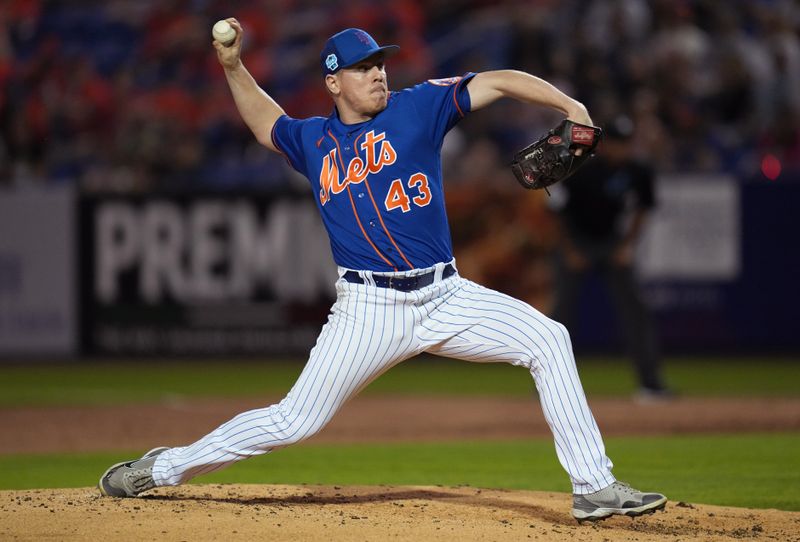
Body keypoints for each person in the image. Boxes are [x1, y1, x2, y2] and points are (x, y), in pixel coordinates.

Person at [98, 23, 667, 523]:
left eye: (379, 63)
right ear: (333, 83)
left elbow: (497, 79)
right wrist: (233, 66)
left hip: (446, 295)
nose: (377, 74)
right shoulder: (314, 141)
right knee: (294, 421)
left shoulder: (420, 106)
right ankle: (163, 469)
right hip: (367, 311)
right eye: (362, 68)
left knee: (548, 338)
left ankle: (594, 487)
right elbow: (266, 122)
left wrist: (572, 107)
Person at [549, 115, 672, 399]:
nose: (622, 149)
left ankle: (650, 384)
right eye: (617, 143)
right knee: (559, 318)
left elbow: (644, 209)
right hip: (577, 240)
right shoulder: (583, 168)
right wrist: (569, 250)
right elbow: (557, 212)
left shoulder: (638, 171)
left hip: (610, 241)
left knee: (636, 310)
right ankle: (550, 387)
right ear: (606, 145)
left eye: (626, 143)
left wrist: (627, 245)